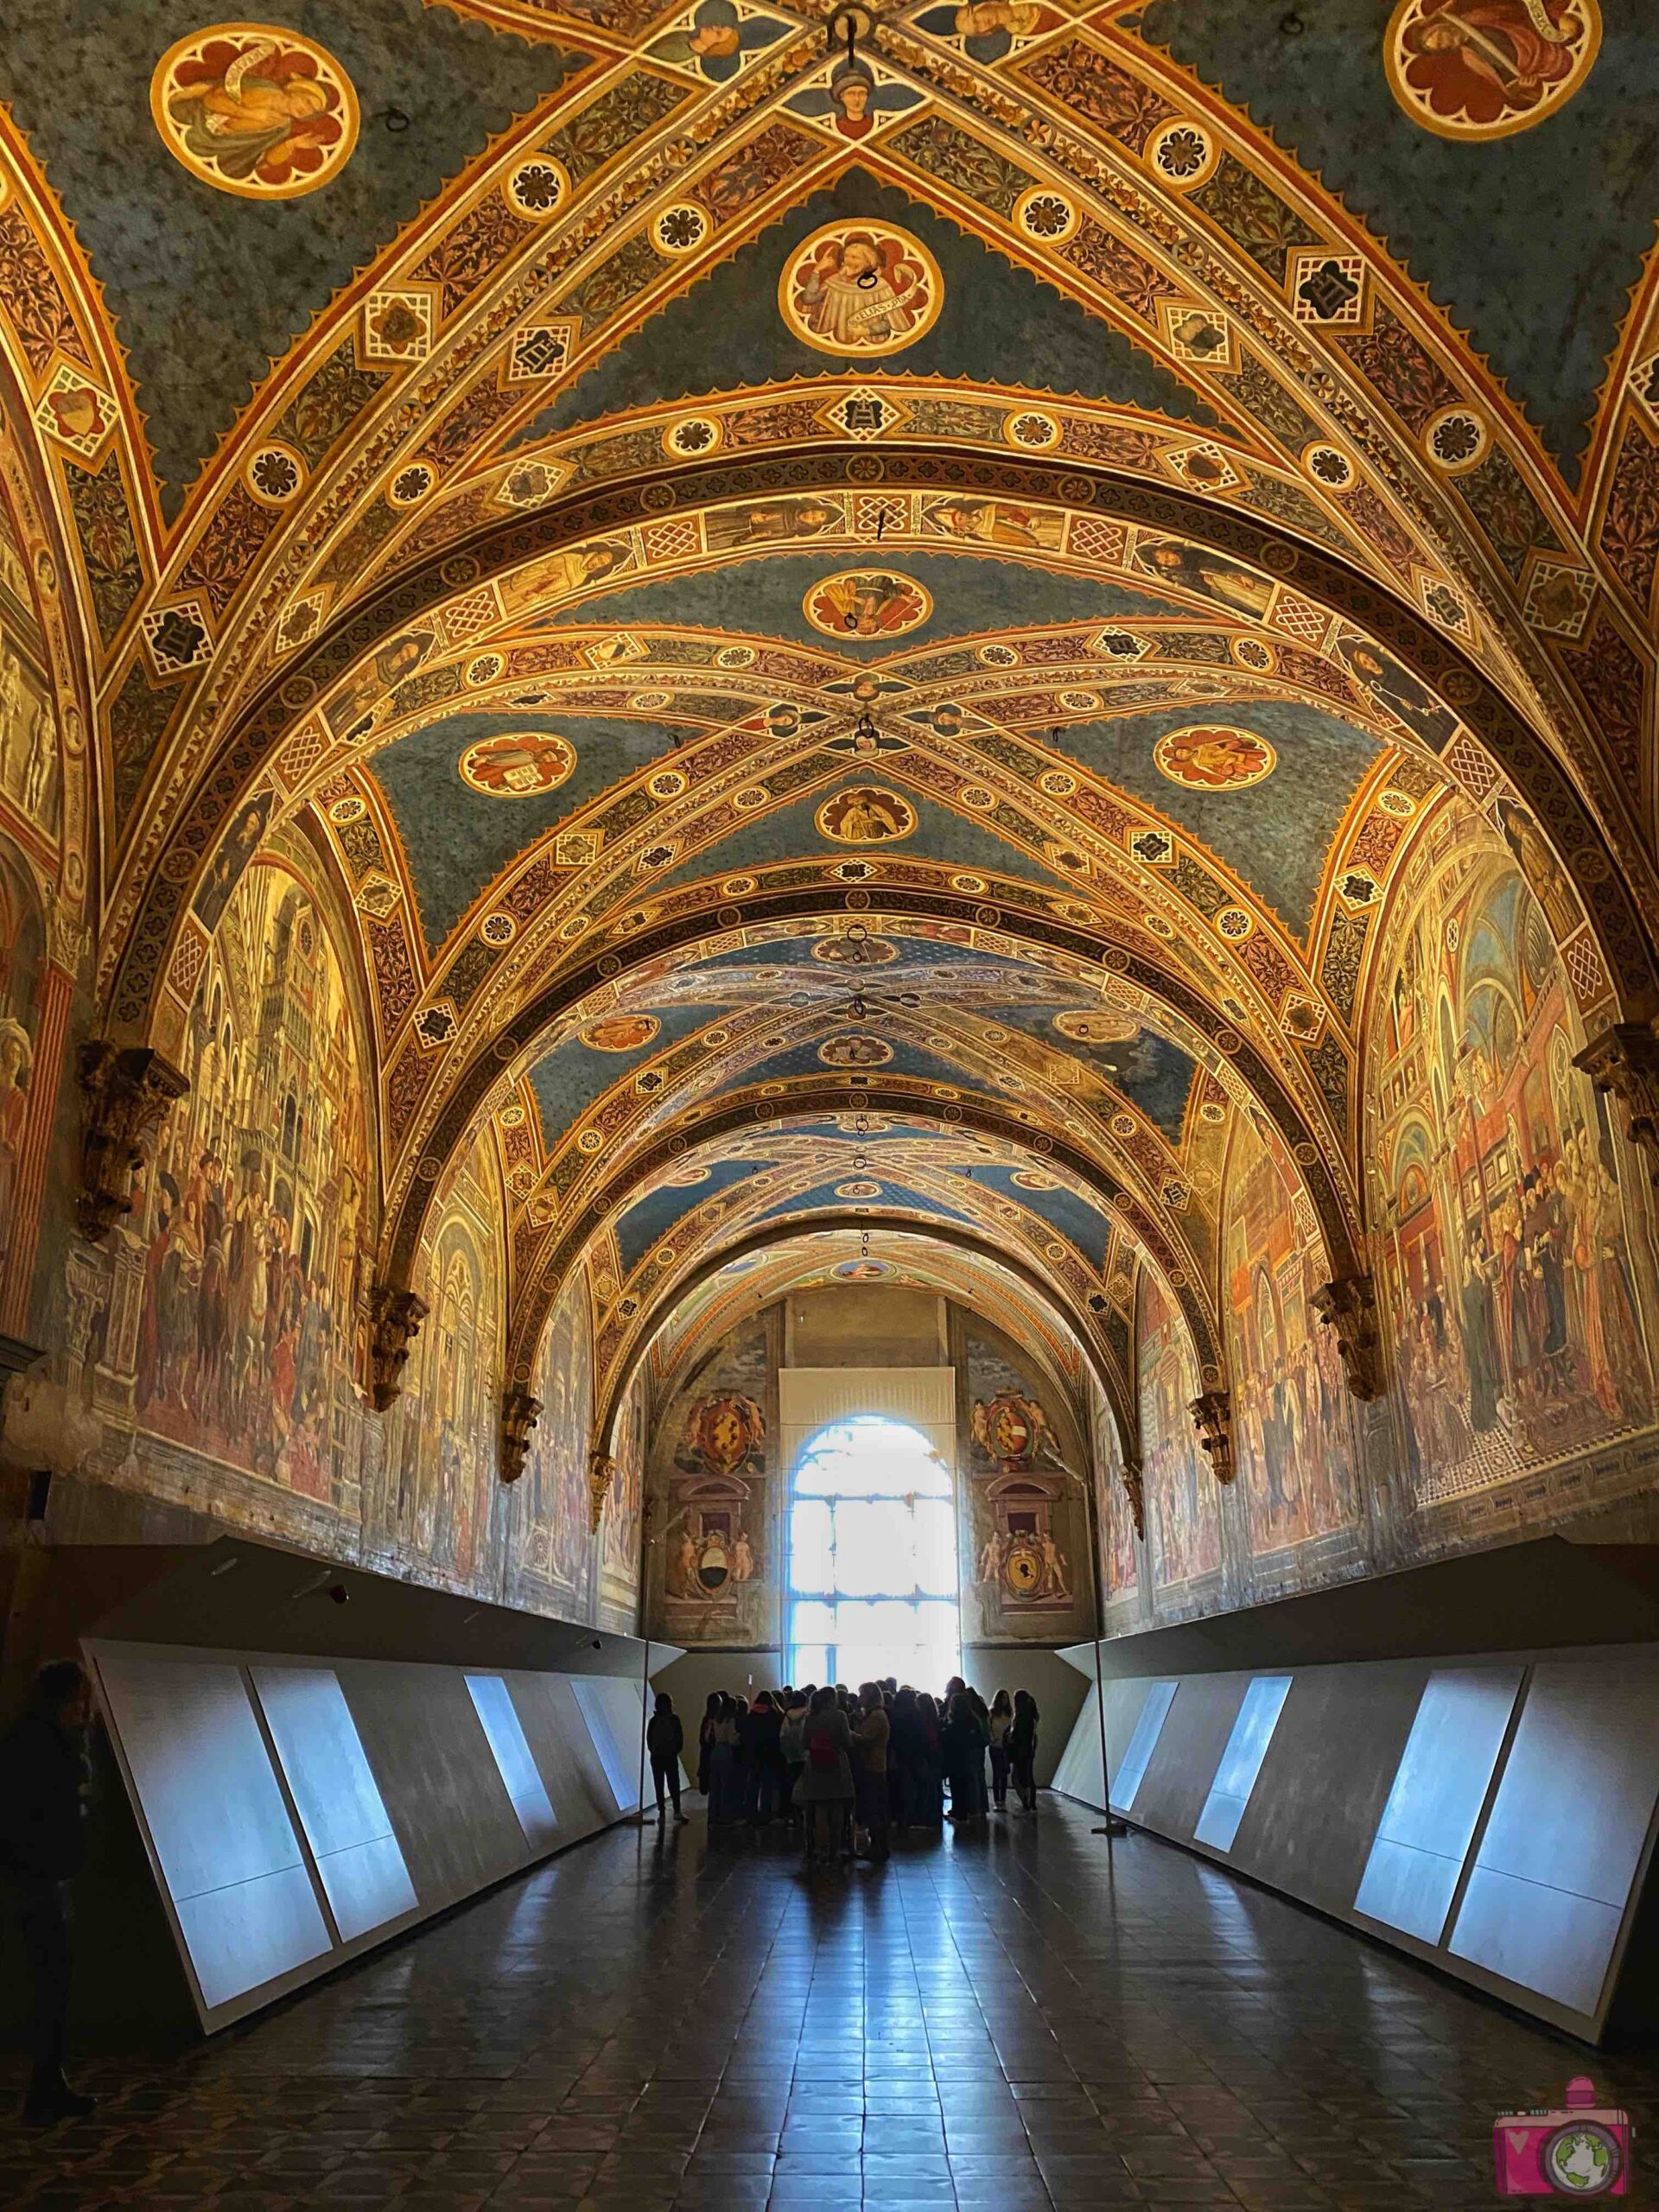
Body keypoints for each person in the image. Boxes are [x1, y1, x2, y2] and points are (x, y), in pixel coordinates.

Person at [0, 1661, 97, 2125]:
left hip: (45, 1876)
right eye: (81, 1698)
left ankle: (48, 2081)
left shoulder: (33, 1739)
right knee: (51, 1982)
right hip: (39, 1879)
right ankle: (45, 2085)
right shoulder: (38, 1744)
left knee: (55, 1984)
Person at [798, 1686, 855, 1866]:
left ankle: (815, 1848)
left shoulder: (810, 1717)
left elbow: (804, 1742)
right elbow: (847, 1741)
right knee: (836, 1808)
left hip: (815, 1764)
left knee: (815, 1809)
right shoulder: (840, 1716)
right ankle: (834, 1850)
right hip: (836, 1763)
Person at [852, 1682, 891, 1861]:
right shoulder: (874, 1715)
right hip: (874, 1765)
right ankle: (877, 1846)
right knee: (874, 1808)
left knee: (874, 1809)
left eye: (862, 1695)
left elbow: (866, 1739)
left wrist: (849, 1733)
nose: (859, 1699)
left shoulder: (876, 1716)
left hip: (873, 1766)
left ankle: (878, 1847)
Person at [941, 1693, 984, 1827]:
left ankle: (959, 1813)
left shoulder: (953, 1723)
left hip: (956, 1759)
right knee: (969, 1786)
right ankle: (970, 1811)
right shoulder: (973, 1720)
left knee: (957, 1787)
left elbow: (949, 1739)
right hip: (970, 1757)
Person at [743, 1691, 782, 1826]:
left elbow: (745, 1736)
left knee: (752, 1785)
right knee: (767, 1786)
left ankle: (751, 1813)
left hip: (754, 1755)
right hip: (769, 1755)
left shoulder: (751, 1715)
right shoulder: (773, 1715)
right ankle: (766, 1814)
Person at [646, 1693, 686, 1825]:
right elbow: (679, 1737)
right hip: (666, 1756)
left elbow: (649, 1739)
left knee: (664, 1784)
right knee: (671, 1783)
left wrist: (655, 1751)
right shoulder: (674, 1720)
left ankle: (665, 1813)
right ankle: (673, 1811)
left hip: (661, 1757)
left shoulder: (654, 1721)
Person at [779, 1687, 810, 1829]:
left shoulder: (787, 1716)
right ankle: (805, 1814)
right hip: (805, 1754)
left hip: (790, 1755)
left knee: (791, 1785)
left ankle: (791, 1815)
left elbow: (783, 1735)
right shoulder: (807, 1714)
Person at [708, 1695, 741, 1826]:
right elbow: (732, 1739)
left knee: (715, 1785)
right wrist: (740, 1737)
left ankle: (713, 1815)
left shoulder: (716, 1719)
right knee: (726, 1785)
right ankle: (725, 1815)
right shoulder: (730, 1720)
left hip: (715, 1751)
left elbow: (708, 1737)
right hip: (726, 1751)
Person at [1009, 1689, 1040, 1814]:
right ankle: (1030, 1803)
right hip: (1029, 1750)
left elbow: (1018, 1735)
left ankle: (1026, 1802)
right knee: (1028, 1777)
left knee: (1017, 1778)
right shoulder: (1031, 1715)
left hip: (1020, 1750)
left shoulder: (1022, 1716)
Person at [988, 1690, 1014, 1812]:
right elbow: (989, 1729)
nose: (1005, 1701)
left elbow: (1010, 1728)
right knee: (996, 1774)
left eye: (1006, 1698)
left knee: (1004, 1774)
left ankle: (1002, 1801)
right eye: (1003, 1698)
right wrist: (993, 1739)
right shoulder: (992, 1713)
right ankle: (997, 1801)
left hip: (1005, 1746)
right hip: (995, 1746)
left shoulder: (1009, 1713)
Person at [696, 1691, 721, 1800]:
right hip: (714, 1754)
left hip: (707, 1754)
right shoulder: (719, 1720)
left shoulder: (706, 1720)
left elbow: (703, 1739)